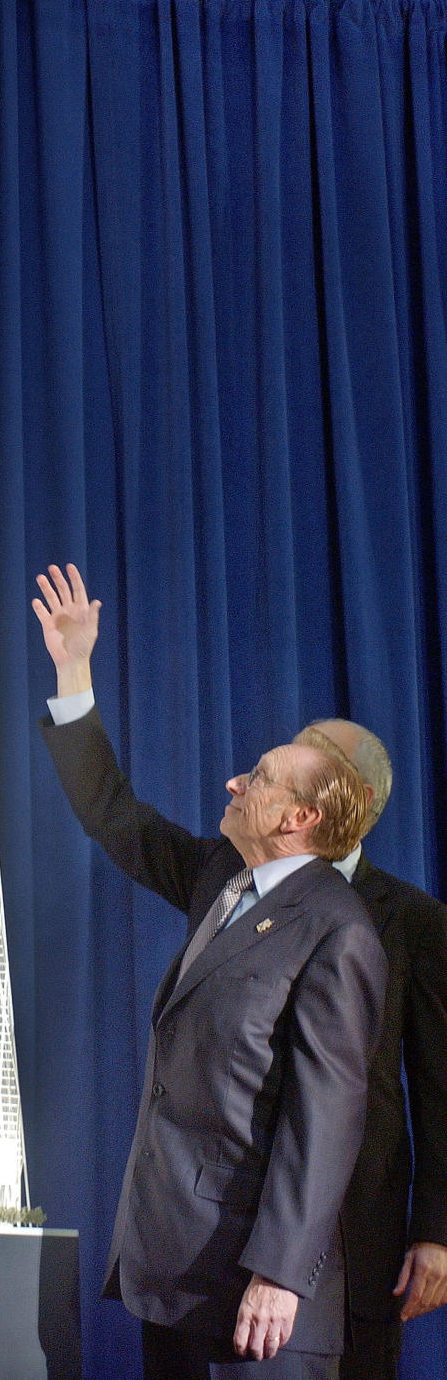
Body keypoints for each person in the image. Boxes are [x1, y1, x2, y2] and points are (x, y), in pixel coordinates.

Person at [32, 564, 387, 1380]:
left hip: (260, 1305)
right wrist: (73, 667)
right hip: (182, 1277)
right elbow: (114, 815)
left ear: (301, 819)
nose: (234, 780)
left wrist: (279, 1270)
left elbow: (326, 1116)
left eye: (258, 777)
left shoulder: (339, 929)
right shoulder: (220, 877)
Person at [293, 720, 447, 1380]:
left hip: (362, 1234)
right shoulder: (251, 893)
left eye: (309, 758)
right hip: (246, 1229)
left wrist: (437, 1230)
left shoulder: (415, 920)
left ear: (354, 796)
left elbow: (439, 1085)